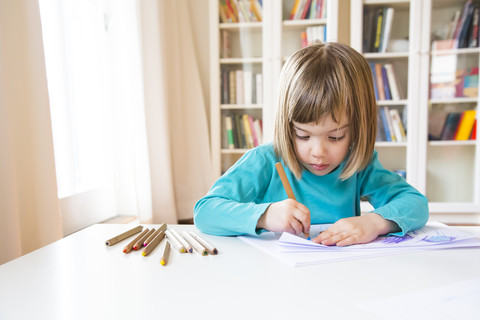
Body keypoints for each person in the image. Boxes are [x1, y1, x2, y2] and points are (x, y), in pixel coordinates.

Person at [194, 42, 428, 246]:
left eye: (335, 137)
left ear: (358, 127)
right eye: (303, 136)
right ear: (287, 126)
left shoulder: (359, 164)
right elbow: (205, 212)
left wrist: (374, 222)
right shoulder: (265, 160)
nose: (318, 152)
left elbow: (416, 204)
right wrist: (265, 216)